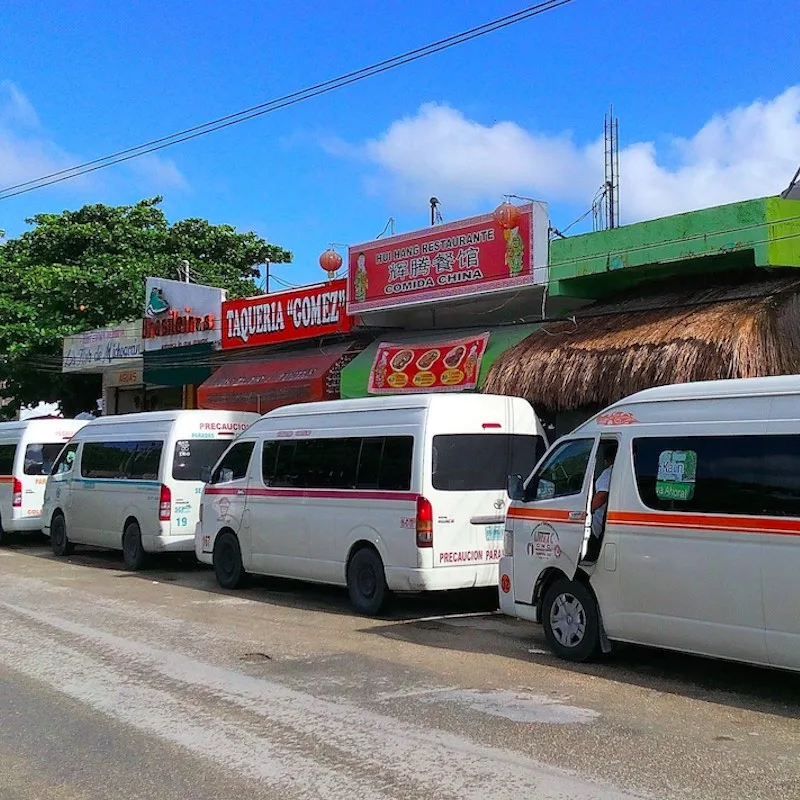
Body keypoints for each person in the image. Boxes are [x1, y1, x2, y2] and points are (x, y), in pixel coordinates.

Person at [591, 443, 618, 539]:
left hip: (599, 525)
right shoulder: (622, 472)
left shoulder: (608, 473)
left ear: (607, 460)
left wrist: (587, 511)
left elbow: (602, 496)